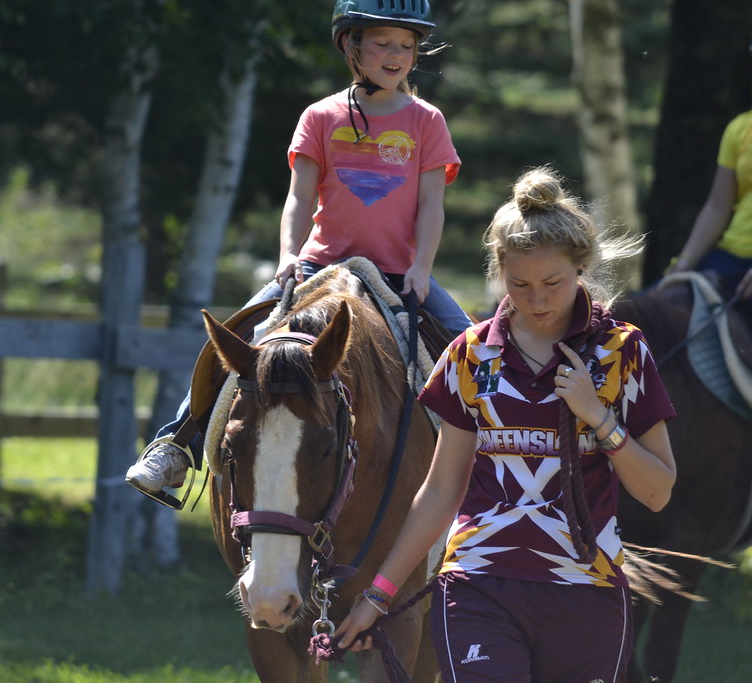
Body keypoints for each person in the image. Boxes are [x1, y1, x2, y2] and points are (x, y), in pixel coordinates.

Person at [334, 167, 678, 682]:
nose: (537, 301)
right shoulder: (470, 354)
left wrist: (598, 417)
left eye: (552, 284)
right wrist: (378, 597)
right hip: (479, 584)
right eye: (520, 285)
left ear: (581, 267)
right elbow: (440, 489)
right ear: (499, 272)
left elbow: (658, 491)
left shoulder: (623, 352)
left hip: (588, 590)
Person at [126, 0, 470, 500]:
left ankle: (494, 460)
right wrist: (289, 255)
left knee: (470, 343)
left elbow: (432, 207)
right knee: (238, 336)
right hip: (318, 264)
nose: (396, 55)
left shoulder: (427, 122)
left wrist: (422, 267)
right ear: (352, 46)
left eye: (406, 45)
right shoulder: (321, 116)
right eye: (382, 43)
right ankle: (177, 444)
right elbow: (299, 198)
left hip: (400, 272)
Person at [666, 18, 752, 351]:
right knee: (655, 308)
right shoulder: (740, 129)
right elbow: (717, 206)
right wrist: (683, 264)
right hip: (733, 256)